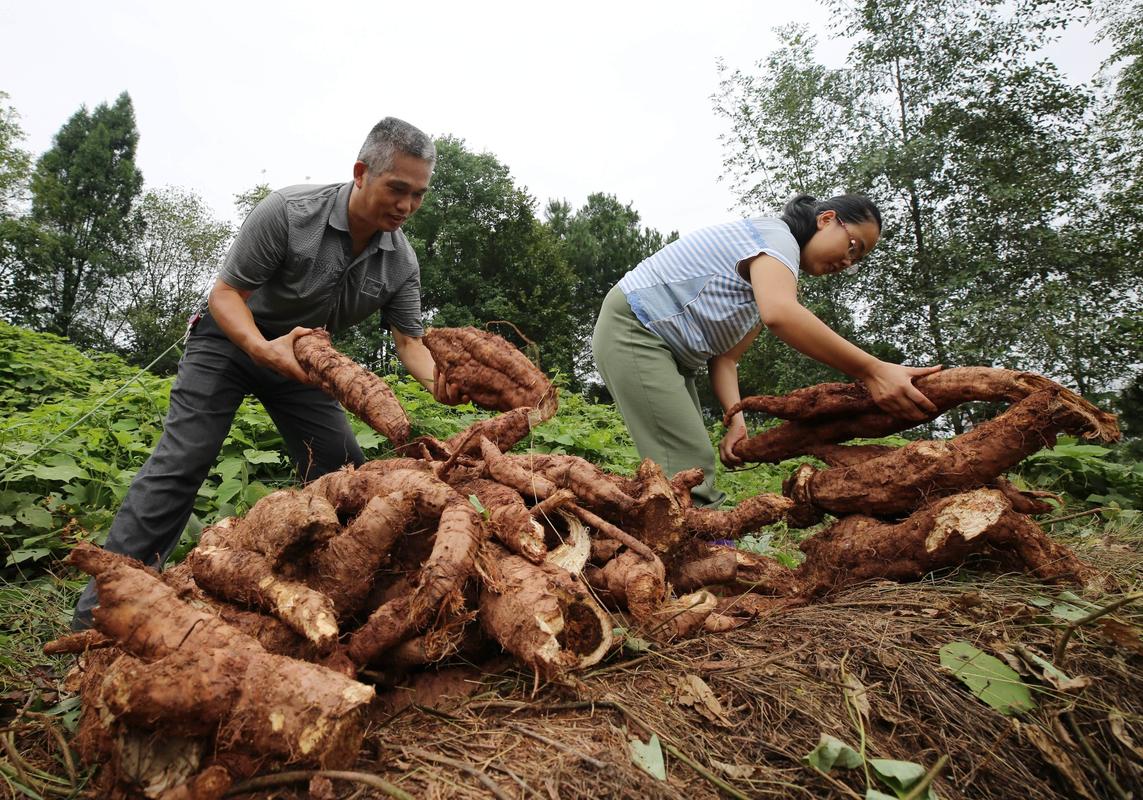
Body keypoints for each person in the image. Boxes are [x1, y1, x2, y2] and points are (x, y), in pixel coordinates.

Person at [72, 116, 460, 630]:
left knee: (344, 471)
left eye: (419, 195)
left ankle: (329, 598)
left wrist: (447, 383)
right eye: (397, 189)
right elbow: (226, 294)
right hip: (229, 341)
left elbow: (410, 341)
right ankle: (101, 614)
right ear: (362, 172)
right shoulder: (290, 211)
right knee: (183, 460)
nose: (406, 206)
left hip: (303, 358)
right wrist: (260, 347)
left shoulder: (400, 262)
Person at [591, 193, 941, 508]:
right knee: (687, 464)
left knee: (685, 462)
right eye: (853, 246)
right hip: (636, 327)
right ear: (826, 219)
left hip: (665, 348)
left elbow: (726, 358)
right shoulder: (777, 239)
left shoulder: (771, 275)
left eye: (858, 258)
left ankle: (660, 542)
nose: (849, 262)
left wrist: (736, 420)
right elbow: (781, 315)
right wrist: (873, 370)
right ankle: (702, 554)